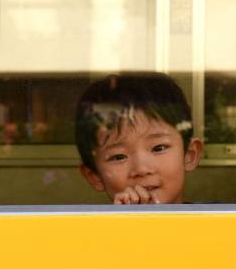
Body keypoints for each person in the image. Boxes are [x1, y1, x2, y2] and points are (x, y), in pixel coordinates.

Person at [75, 73, 203, 205]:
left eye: (158, 148)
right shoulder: (92, 226)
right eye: (119, 157)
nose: (141, 169)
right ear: (95, 176)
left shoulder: (218, 220)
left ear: (189, 154)